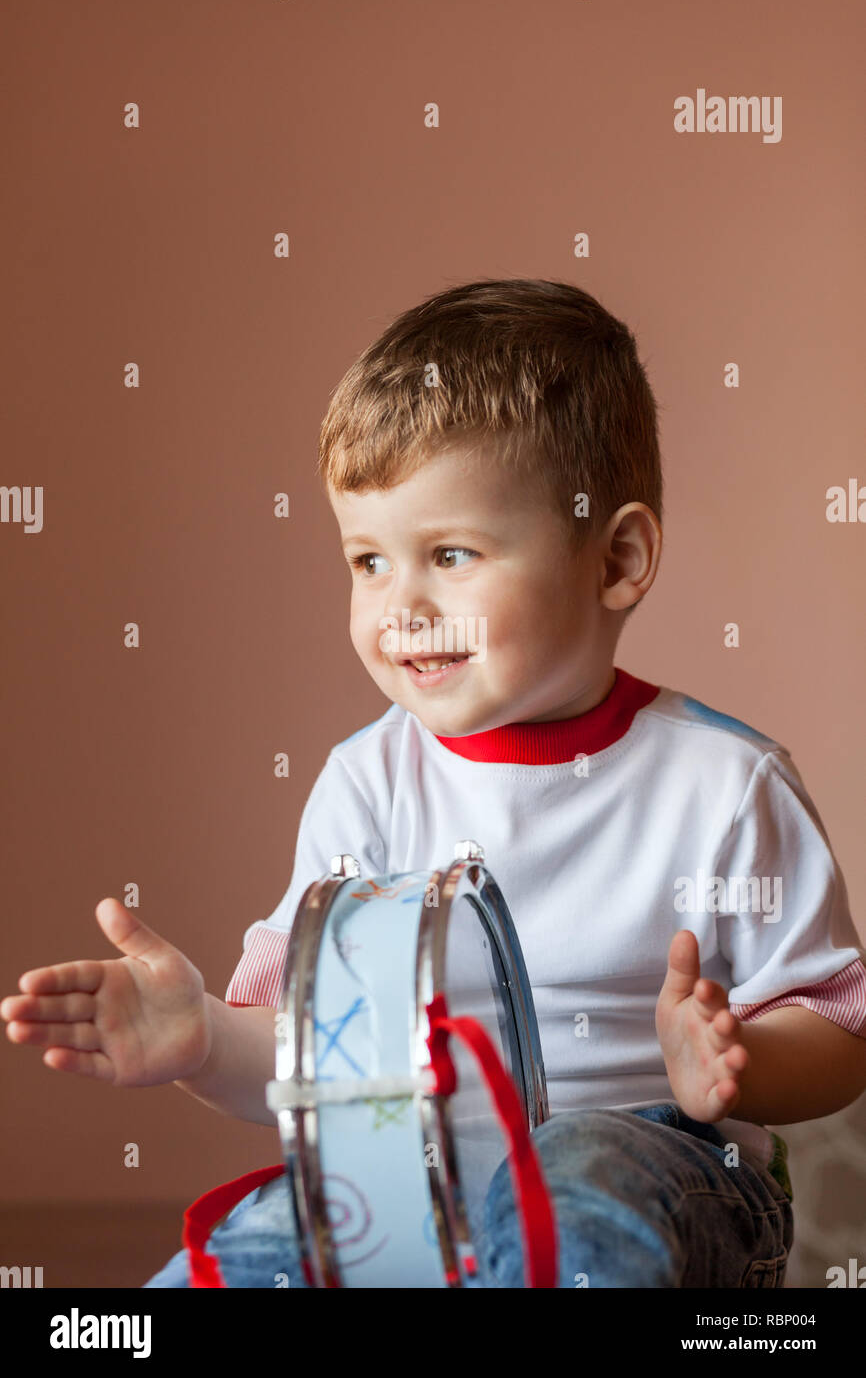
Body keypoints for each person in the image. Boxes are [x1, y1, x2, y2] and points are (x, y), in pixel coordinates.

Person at [4, 279, 866, 1288]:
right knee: (269, 1236)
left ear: (616, 557)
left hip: (667, 1162)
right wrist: (200, 1041)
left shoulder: (722, 782)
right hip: (423, 1176)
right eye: (366, 559)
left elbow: (840, 1027)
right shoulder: (367, 783)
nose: (398, 605)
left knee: (573, 1182)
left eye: (448, 554)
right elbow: (311, 1060)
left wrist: (731, 1063)